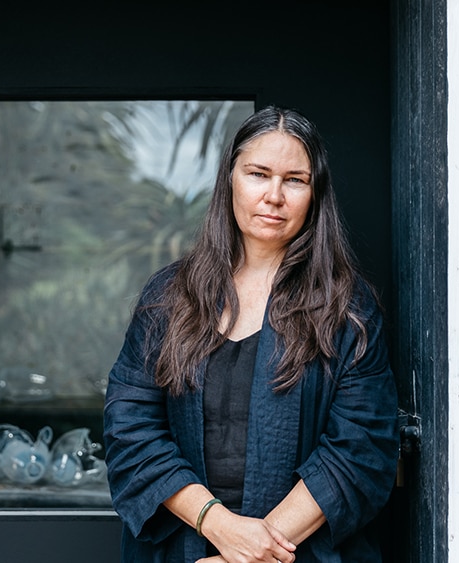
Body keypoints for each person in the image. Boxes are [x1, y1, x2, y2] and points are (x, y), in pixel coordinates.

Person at [103, 105, 399, 562]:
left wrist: (249, 556)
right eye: (258, 174)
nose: (274, 195)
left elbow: (359, 450)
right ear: (230, 180)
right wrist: (220, 528)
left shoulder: (348, 309)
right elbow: (131, 430)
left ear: (315, 193)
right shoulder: (169, 297)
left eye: (295, 180)